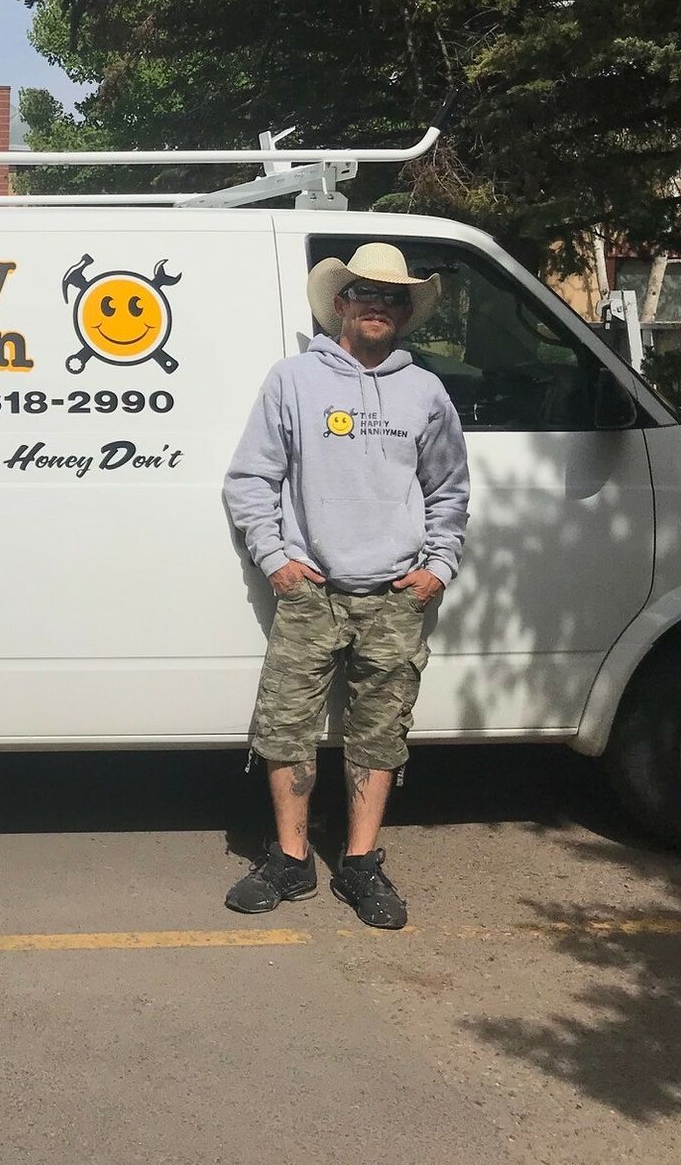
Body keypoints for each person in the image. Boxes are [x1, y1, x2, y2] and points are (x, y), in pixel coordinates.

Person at [221, 242, 470, 930]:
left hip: (395, 594)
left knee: (380, 733)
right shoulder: (293, 380)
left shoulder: (425, 391)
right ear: (341, 303)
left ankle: (359, 863)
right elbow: (250, 479)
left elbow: (450, 489)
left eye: (393, 298)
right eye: (367, 293)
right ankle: (292, 860)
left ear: (403, 312)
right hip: (312, 591)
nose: (379, 306)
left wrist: (437, 568)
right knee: (286, 726)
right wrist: (275, 560)